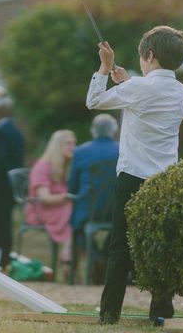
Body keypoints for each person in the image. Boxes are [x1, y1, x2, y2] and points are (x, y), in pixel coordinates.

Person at [86, 26, 183, 326]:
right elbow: (147, 100)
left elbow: (94, 101)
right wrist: (129, 82)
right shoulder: (181, 91)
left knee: (120, 247)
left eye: (142, 58)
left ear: (150, 55)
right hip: (165, 178)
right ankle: (159, 312)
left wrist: (105, 68)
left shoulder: (139, 89)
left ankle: (109, 313)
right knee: (160, 244)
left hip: (133, 175)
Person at [67, 114, 119, 281]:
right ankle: (104, 257)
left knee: (77, 225)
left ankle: (95, 257)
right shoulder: (123, 150)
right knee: (120, 226)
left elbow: (72, 186)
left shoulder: (80, 151)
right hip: (115, 209)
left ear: (93, 131)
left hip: (88, 209)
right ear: (114, 131)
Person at [25, 129, 76, 272]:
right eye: (68, 143)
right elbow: (45, 198)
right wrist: (67, 197)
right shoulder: (43, 166)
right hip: (40, 209)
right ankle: (67, 253)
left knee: (77, 211)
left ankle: (70, 257)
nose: (73, 147)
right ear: (57, 146)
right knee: (72, 208)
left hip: (59, 206)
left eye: (74, 143)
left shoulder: (66, 166)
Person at [0, 98, 25, 270]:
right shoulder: (17, 132)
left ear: (1, 111)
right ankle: (4, 259)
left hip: (0, 184)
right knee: (6, 221)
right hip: (11, 184)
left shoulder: (0, 132)